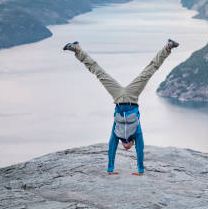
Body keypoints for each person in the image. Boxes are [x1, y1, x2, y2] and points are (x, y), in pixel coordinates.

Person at [63, 39, 179, 175]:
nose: (125, 147)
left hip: (117, 97)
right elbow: (140, 150)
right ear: (132, 144)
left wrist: (110, 169)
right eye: (128, 147)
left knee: (99, 73)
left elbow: (112, 147)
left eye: (125, 148)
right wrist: (140, 170)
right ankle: (168, 47)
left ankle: (78, 50)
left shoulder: (117, 132)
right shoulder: (137, 132)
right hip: (132, 96)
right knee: (148, 71)